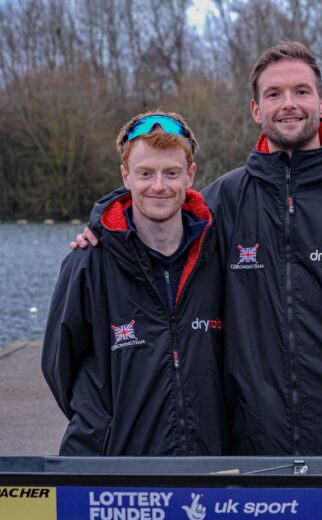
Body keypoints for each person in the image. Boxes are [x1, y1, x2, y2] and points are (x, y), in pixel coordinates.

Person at [74, 41, 322, 455]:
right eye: (274, 94)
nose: (289, 104)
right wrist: (101, 229)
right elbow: (154, 229)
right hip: (256, 447)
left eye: (301, 91)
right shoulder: (225, 201)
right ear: (256, 110)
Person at [43, 111, 229, 456]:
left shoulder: (219, 257)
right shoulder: (88, 262)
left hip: (210, 465)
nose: (159, 186)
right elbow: (59, 367)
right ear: (126, 176)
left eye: (171, 173)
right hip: (115, 470)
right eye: (146, 173)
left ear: (190, 176)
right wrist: (106, 429)